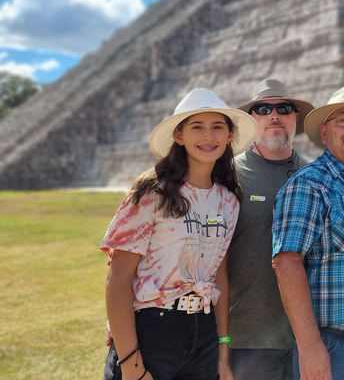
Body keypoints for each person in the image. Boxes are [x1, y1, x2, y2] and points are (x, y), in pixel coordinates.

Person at [229, 79, 344, 380]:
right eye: (343, 120)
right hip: (257, 335)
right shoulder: (233, 175)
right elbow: (285, 261)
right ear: (324, 132)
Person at [100, 88, 257, 380]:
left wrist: (222, 352)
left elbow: (218, 276)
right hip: (151, 331)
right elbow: (118, 278)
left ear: (229, 136)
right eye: (197, 126)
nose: (208, 136)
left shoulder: (229, 201)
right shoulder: (152, 192)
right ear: (179, 136)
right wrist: (131, 364)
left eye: (217, 127)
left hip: (204, 334)